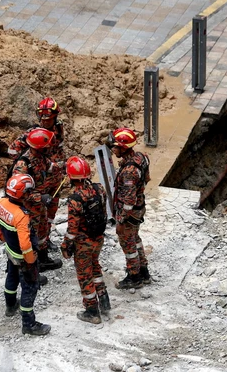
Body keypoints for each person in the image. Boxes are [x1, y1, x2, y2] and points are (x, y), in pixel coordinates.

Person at [0, 174, 51, 336]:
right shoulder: (21, 216)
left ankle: (10, 306)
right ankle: (28, 324)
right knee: (29, 288)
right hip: (23, 258)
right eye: (28, 192)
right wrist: (30, 262)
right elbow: (25, 244)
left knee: (11, 277)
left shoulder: (1, 203)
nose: (30, 194)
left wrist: (1, 236)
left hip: (10, 252)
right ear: (23, 194)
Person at [8, 97, 66, 251]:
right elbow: (12, 150)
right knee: (37, 213)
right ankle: (34, 246)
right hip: (39, 180)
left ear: (55, 116)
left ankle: (46, 238)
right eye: (43, 117)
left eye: (49, 118)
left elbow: (59, 149)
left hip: (55, 177)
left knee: (51, 211)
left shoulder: (59, 129)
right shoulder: (33, 133)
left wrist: (60, 165)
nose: (45, 121)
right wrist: (28, 163)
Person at [61, 156, 111, 324]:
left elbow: (72, 229)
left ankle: (92, 311)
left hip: (84, 242)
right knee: (95, 266)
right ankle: (104, 300)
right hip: (98, 238)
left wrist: (66, 245)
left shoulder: (75, 199)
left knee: (84, 275)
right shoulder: (99, 189)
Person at [11, 127, 64, 273]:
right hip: (29, 207)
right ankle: (31, 269)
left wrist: (64, 166)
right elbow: (19, 191)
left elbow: (50, 167)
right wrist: (40, 197)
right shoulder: (23, 165)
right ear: (39, 148)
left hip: (40, 206)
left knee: (42, 231)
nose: (49, 150)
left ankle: (43, 259)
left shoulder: (40, 158)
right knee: (31, 236)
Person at [106, 128, 152, 289]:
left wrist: (120, 219)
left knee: (128, 244)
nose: (112, 149)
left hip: (130, 213)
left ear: (123, 148)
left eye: (115, 146)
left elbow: (128, 201)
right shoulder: (141, 158)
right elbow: (146, 179)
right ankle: (144, 271)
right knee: (136, 239)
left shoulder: (128, 172)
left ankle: (134, 277)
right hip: (140, 208)